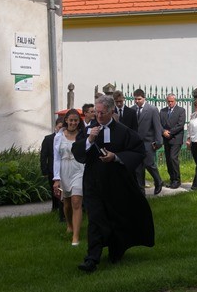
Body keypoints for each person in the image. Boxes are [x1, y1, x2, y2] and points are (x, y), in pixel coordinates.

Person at [71, 95, 154, 273]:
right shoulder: (89, 130)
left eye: (102, 113)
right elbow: (77, 151)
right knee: (95, 219)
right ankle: (92, 259)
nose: (98, 116)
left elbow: (138, 150)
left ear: (111, 111)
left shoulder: (123, 131)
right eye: (96, 112)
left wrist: (115, 157)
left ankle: (116, 250)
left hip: (116, 183)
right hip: (93, 182)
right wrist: (89, 140)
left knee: (115, 217)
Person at [52, 109, 85, 246]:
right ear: (66, 120)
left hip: (79, 169)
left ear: (79, 121)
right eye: (71, 120)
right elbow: (56, 158)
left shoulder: (82, 136)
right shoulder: (58, 137)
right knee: (67, 203)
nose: (73, 123)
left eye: (76, 120)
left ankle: (75, 237)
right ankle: (69, 225)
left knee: (76, 201)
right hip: (64, 170)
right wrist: (56, 178)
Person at [132, 88, 163, 195]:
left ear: (144, 98)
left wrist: (158, 142)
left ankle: (158, 181)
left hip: (148, 142)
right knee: (138, 168)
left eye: (139, 99)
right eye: (135, 99)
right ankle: (141, 190)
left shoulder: (152, 109)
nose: (137, 101)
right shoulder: (132, 109)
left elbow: (157, 127)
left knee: (149, 164)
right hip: (136, 144)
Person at [40, 116, 64, 220]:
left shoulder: (66, 138)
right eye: (59, 127)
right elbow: (43, 155)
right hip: (52, 170)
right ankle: (55, 208)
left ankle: (63, 209)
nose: (61, 130)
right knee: (54, 190)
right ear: (55, 127)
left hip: (64, 168)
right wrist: (44, 170)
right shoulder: (48, 139)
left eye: (63, 128)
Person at [160, 93, 186, 189]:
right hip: (166, 138)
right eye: (168, 101)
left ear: (175, 101)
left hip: (176, 138)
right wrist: (163, 131)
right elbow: (159, 123)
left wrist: (170, 132)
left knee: (173, 158)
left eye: (172, 101)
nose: (170, 103)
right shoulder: (163, 111)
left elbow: (180, 124)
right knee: (168, 159)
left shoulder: (181, 110)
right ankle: (172, 179)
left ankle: (177, 180)